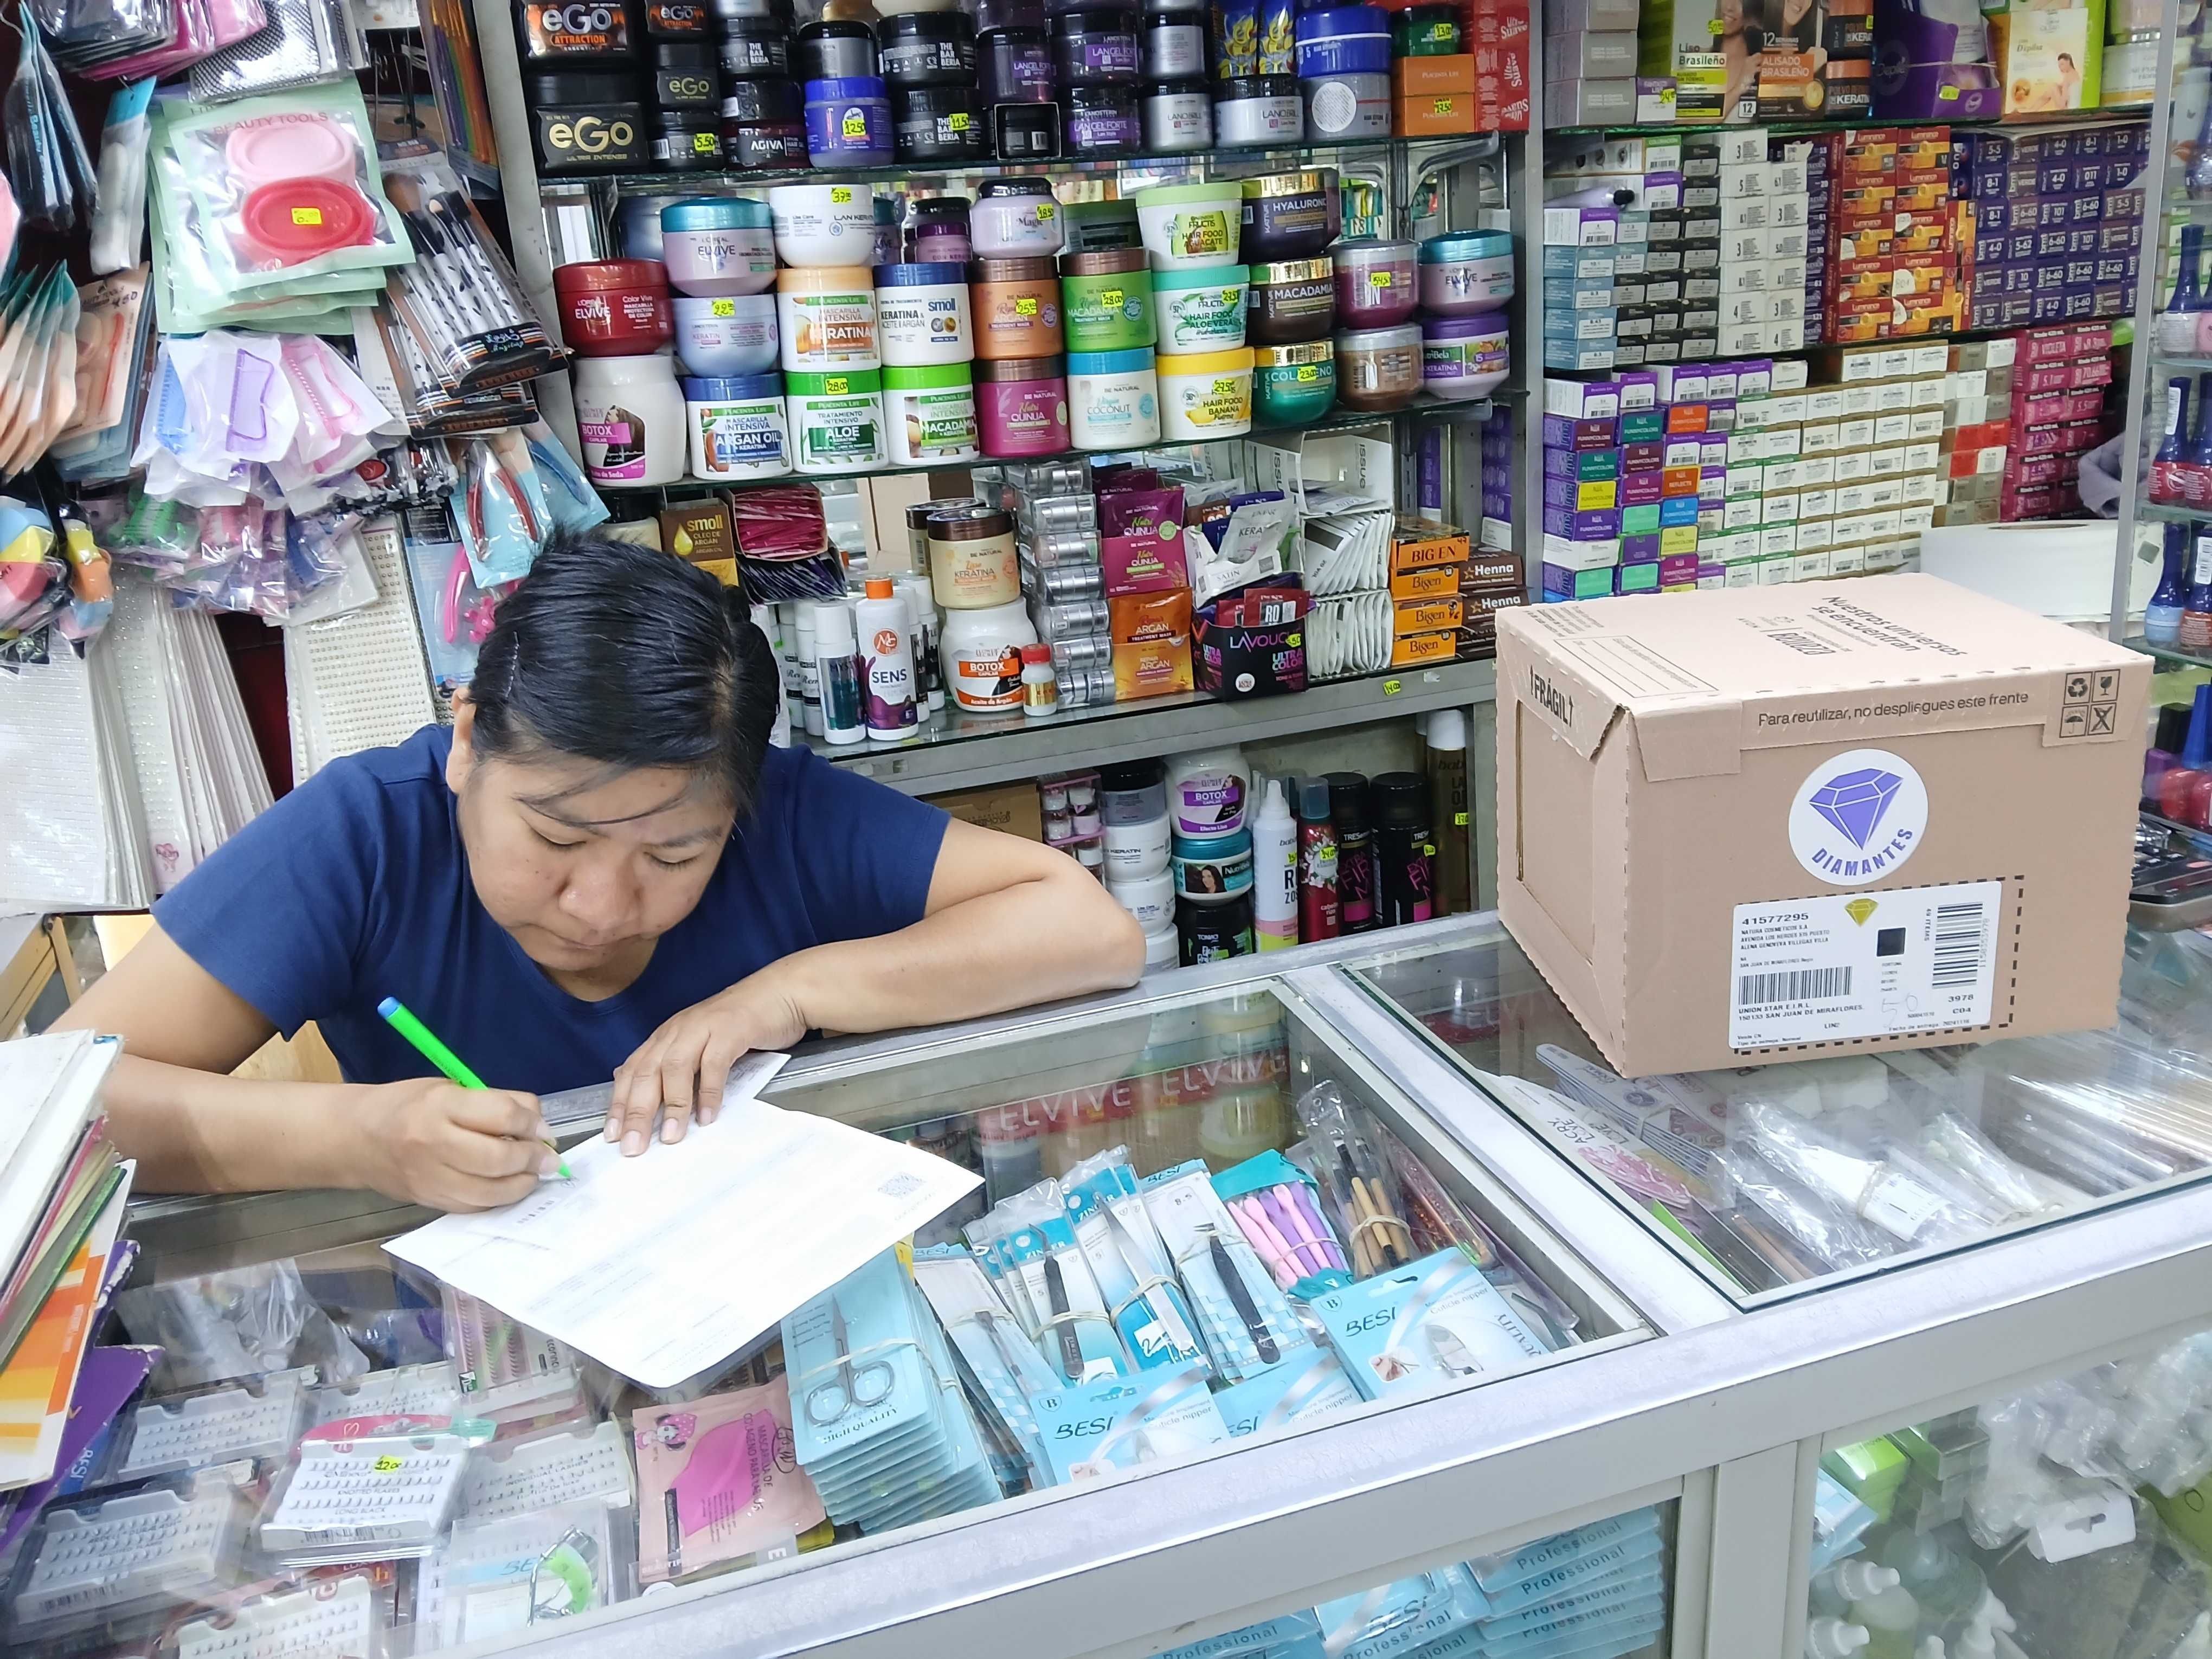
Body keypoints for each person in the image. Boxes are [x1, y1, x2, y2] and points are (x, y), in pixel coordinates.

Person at [58, 534, 1146, 1212]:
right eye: (557, 840)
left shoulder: (780, 813)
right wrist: (360, 1140)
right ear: (469, 742)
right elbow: (59, 1105)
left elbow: (1089, 928)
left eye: (675, 854)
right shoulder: (367, 833)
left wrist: (787, 991)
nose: (602, 906)